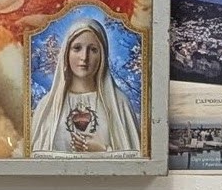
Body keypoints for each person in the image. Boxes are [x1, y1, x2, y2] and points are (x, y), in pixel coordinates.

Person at [30, 18, 141, 154]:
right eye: (77, 48)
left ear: (102, 55)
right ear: (66, 53)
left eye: (93, 50)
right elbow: (37, 157)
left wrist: (103, 150)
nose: (84, 57)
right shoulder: (47, 106)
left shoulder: (119, 104)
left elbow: (134, 159)